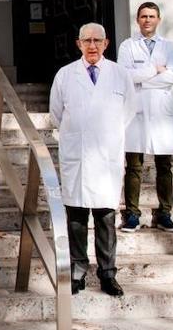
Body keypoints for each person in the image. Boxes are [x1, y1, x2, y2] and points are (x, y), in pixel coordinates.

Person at [50, 23, 137, 298]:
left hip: (107, 155)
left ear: (106, 43)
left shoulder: (120, 74)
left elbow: (129, 111)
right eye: (86, 40)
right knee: (76, 217)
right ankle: (77, 271)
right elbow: (56, 114)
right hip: (78, 154)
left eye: (97, 40)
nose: (92, 45)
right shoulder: (65, 75)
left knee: (105, 217)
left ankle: (108, 273)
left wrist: (106, 134)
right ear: (78, 44)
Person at [118, 3, 173, 233]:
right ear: (137, 20)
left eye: (152, 16)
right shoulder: (127, 45)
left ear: (159, 19)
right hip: (136, 111)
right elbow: (126, 76)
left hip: (162, 111)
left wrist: (143, 77)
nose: (147, 20)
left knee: (164, 165)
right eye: (143, 16)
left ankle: (165, 213)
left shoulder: (169, 46)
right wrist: (155, 70)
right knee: (134, 165)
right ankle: (132, 214)